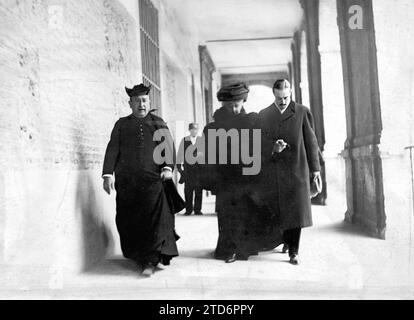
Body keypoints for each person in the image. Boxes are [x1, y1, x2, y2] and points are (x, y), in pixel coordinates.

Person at [102, 83, 181, 276]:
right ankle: (140, 257)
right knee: (129, 220)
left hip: (153, 182)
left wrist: (168, 168)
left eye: (144, 101)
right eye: (137, 101)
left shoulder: (158, 122)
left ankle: (150, 260)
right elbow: (113, 149)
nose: (141, 105)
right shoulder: (121, 124)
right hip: (128, 184)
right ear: (130, 103)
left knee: (154, 221)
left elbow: (168, 148)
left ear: (149, 102)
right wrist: (107, 175)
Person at [200, 83, 280, 263]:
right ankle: (227, 250)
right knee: (227, 214)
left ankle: (243, 249)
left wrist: (272, 148)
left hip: (247, 177)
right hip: (225, 178)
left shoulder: (252, 121)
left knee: (246, 213)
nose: (234, 109)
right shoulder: (213, 127)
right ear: (222, 104)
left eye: (236, 104)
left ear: (243, 101)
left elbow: (262, 142)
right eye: (229, 106)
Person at [259, 79, 322, 265]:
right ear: (274, 95)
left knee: (296, 212)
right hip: (274, 171)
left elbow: (311, 142)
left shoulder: (302, 112)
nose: (283, 102)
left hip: (297, 170)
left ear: (291, 93)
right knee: (279, 211)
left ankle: (294, 251)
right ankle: (286, 240)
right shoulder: (264, 114)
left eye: (286, 97)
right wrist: (273, 147)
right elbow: (259, 142)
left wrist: (315, 169)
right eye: (279, 98)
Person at [177, 123, 203, 215]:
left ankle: (197, 209)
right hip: (188, 170)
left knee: (198, 190)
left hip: (199, 170)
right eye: (192, 129)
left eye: (195, 129)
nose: (194, 131)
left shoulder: (201, 140)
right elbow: (180, 154)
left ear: (198, 130)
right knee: (188, 190)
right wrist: (180, 169)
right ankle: (188, 209)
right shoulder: (184, 140)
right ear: (189, 130)